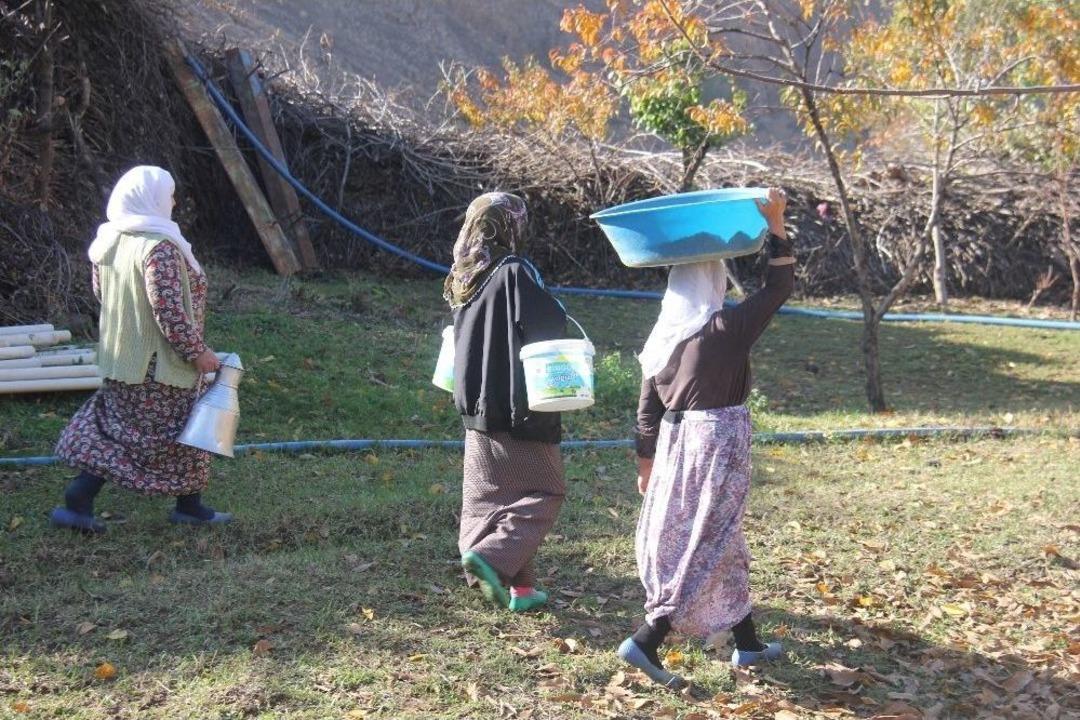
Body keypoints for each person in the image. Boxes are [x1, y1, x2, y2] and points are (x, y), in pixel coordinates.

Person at [618, 188, 794, 687]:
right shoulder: (722, 328)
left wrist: (645, 467)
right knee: (708, 539)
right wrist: (776, 223)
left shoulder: (662, 339)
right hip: (716, 442)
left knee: (723, 536)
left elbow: (647, 413)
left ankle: (748, 645)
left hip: (676, 446)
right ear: (713, 281)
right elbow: (778, 288)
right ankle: (647, 639)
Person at [50, 165, 231, 533]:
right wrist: (197, 352)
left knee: (124, 431)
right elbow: (167, 308)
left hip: (124, 359)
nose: (174, 201)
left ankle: (83, 502)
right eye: (170, 194)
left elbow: (104, 295)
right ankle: (84, 500)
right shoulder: (159, 248)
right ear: (152, 199)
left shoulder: (110, 241)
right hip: (159, 365)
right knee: (179, 432)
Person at [444, 192, 567, 613]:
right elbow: (547, 324)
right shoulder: (515, 270)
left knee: (494, 496)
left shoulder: (465, 274)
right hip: (518, 404)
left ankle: (522, 590)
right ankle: (491, 559)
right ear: (512, 225)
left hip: (476, 407)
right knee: (544, 491)